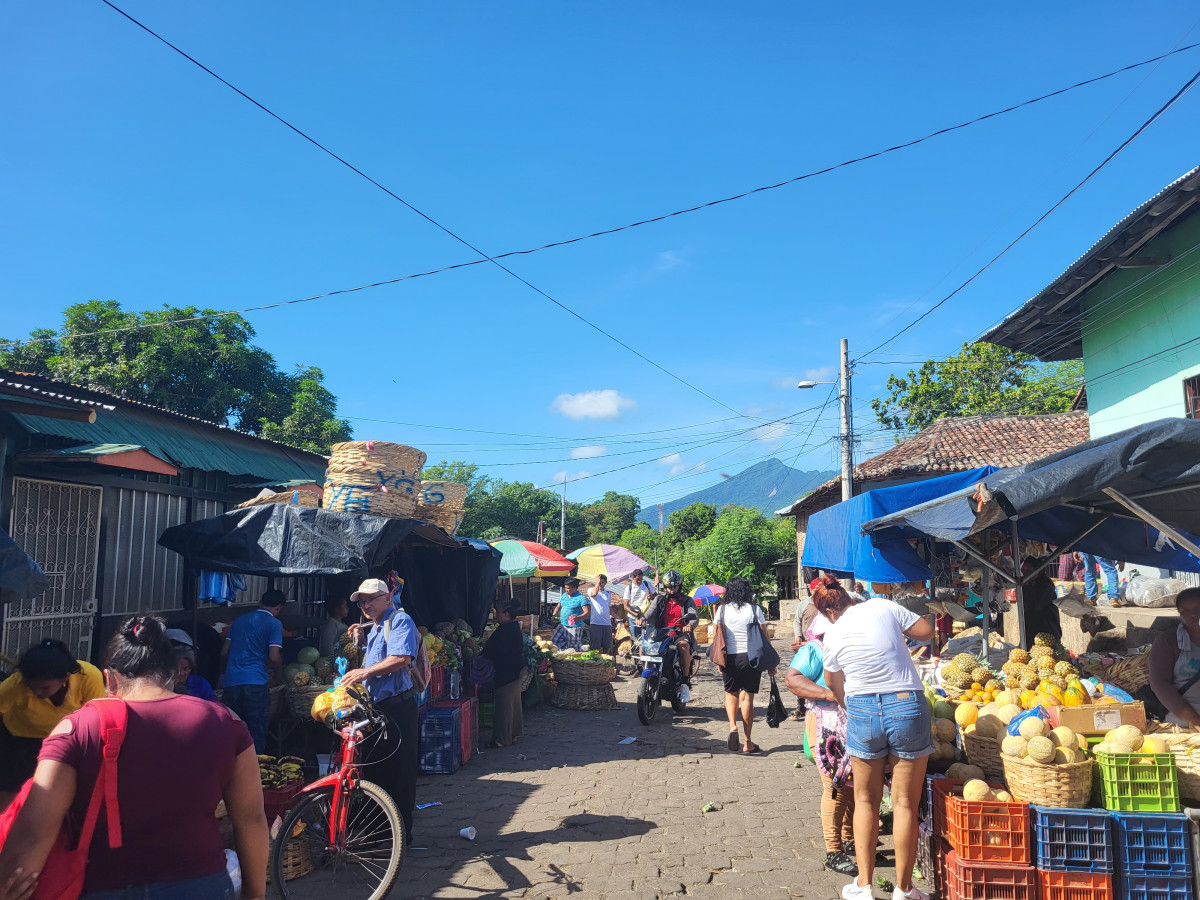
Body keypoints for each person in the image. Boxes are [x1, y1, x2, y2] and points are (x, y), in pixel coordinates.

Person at [0, 615, 267, 900]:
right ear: (172, 672)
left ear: (108, 679)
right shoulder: (225, 722)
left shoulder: (78, 727)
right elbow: (251, 819)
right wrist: (254, 893)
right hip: (203, 883)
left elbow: (36, 828)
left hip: (103, 885)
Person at [820, 573, 935, 900]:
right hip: (907, 705)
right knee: (904, 805)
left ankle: (864, 886)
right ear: (859, 599)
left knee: (866, 801)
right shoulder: (885, 607)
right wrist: (906, 637)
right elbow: (927, 633)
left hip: (863, 710)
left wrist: (850, 706)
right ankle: (904, 890)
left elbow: (833, 681)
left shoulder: (834, 632)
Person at [340, 578, 420, 845]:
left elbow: (401, 659)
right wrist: (363, 643)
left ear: (388, 598)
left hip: (398, 709)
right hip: (377, 711)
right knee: (377, 772)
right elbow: (378, 660)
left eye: (371, 599)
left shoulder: (400, 620)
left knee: (399, 773)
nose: (366, 605)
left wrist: (364, 672)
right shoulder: (374, 628)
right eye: (362, 601)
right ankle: (381, 835)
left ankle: (400, 837)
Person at [786, 610, 856, 876]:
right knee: (836, 786)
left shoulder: (852, 646)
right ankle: (833, 850)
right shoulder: (815, 649)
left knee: (853, 783)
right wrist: (830, 693)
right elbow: (793, 679)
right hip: (826, 725)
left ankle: (849, 837)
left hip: (852, 723)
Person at [0, 639, 105, 812]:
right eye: (32, 687)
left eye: (44, 687)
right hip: (19, 739)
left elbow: (96, 718)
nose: (37, 693)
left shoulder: (89, 677)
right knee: (9, 792)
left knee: (58, 793)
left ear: (65, 677)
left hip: (65, 740)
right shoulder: (15, 684)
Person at [221, 589, 285, 754]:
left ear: (260, 603)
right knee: (255, 732)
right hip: (255, 683)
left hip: (231, 682)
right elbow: (274, 656)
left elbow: (224, 652)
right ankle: (256, 773)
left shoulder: (239, 620)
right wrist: (279, 672)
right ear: (279, 608)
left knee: (232, 731)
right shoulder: (274, 624)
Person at [715, 576, 774, 754]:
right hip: (751, 658)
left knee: (730, 694)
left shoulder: (722, 610)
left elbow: (718, 637)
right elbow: (765, 638)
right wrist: (770, 662)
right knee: (747, 698)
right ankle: (748, 742)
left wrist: (720, 659)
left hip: (730, 658)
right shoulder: (755, 610)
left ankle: (733, 726)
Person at [1149, 587, 1200, 729]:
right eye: (1185, 611)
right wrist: (1195, 721)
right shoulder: (1168, 642)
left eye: (1198, 609)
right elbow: (1159, 684)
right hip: (1181, 725)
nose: (1193, 616)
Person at [637, 570, 697, 687]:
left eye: (675, 587)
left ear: (679, 586)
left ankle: (685, 680)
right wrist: (642, 619)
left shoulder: (687, 600)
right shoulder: (659, 599)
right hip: (661, 633)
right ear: (665, 587)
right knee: (642, 646)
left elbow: (694, 616)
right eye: (669, 587)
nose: (672, 590)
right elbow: (649, 613)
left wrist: (689, 625)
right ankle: (648, 673)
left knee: (683, 646)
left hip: (680, 633)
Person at [481, 601, 526, 747]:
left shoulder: (505, 630)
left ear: (506, 614)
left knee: (504, 706)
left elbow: (495, 650)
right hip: (515, 670)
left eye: (498, 612)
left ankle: (501, 739)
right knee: (514, 703)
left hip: (506, 672)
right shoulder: (514, 627)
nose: (496, 615)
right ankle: (512, 734)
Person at [552, 578, 590, 651]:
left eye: (568, 588)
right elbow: (558, 606)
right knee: (554, 641)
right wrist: (553, 615)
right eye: (565, 588)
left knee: (573, 648)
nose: (566, 590)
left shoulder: (581, 598)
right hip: (562, 625)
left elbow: (587, 613)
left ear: (575, 588)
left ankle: (574, 661)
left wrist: (577, 618)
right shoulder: (564, 596)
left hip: (574, 627)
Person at [623, 569, 655, 642]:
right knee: (635, 640)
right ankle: (636, 652)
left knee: (647, 639)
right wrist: (635, 614)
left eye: (641, 579)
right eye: (637, 579)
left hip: (645, 617)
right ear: (633, 578)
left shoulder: (647, 584)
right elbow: (625, 606)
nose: (639, 581)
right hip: (633, 617)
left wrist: (651, 597)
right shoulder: (629, 588)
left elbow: (656, 597)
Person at [586, 575, 614, 652]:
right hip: (596, 623)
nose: (600, 584)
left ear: (605, 583)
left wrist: (616, 616)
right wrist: (597, 583)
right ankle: (595, 663)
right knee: (595, 647)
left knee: (606, 646)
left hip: (606, 623)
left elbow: (609, 607)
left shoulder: (608, 593)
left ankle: (605, 663)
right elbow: (593, 594)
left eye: (602, 582)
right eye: (599, 582)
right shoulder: (591, 589)